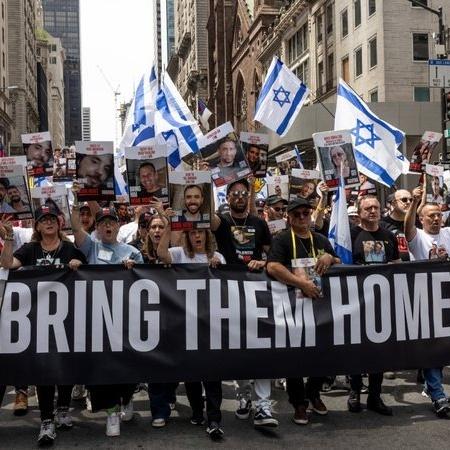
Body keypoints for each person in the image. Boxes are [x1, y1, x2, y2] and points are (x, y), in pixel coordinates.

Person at [0, 205, 86, 445]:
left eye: (52, 219)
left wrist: (78, 266)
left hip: (68, 318)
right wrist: (8, 236)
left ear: (59, 223)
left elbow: (89, 276)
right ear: (37, 226)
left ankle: (63, 408)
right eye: (43, 219)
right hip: (38, 321)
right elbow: (8, 264)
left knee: (67, 364)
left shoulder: (70, 249)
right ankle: (47, 420)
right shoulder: (30, 249)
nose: (48, 222)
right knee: (44, 369)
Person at [71, 185, 144, 437]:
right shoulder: (90, 246)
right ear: (98, 227)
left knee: (129, 364)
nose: (107, 227)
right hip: (97, 320)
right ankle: (112, 411)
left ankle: (127, 398)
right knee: (102, 369)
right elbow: (76, 229)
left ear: (117, 225)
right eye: (102, 223)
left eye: (111, 222)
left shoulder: (131, 251)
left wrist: (134, 268)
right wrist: (75, 199)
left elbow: (147, 282)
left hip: (126, 319)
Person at [211, 179, 277, 428]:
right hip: (229, 291)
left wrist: (263, 262)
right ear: (227, 198)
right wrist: (207, 179)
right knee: (237, 347)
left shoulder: (260, 224)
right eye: (234, 193)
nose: (239, 196)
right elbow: (208, 216)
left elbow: (272, 253)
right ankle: (243, 396)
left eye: (243, 193)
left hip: (257, 291)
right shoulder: (223, 221)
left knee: (261, 346)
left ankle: (263, 404)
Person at [267, 198, 340, 425]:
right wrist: (301, 284)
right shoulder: (281, 240)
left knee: (322, 352)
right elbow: (272, 266)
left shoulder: (320, 239)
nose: (302, 218)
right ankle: (299, 403)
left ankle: (314, 393)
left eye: (306, 213)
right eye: (296, 214)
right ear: (288, 218)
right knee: (295, 356)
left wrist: (330, 257)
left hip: (320, 306)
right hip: (292, 306)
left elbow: (337, 260)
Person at [158, 220, 225, 440]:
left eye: (201, 233)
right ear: (188, 235)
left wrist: (218, 266)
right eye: (193, 232)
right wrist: (168, 226)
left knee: (213, 374)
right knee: (192, 374)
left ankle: (214, 418)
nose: (197, 236)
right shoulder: (179, 254)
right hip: (186, 325)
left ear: (207, 235)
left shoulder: (217, 257)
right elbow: (162, 255)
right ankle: (197, 411)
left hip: (211, 325)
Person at [348, 195, 400, 416]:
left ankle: (374, 396)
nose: (372, 211)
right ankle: (354, 392)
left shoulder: (388, 235)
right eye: (367, 208)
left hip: (382, 301)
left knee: (379, 349)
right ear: (359, 212)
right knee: (356, 348)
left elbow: (397, 264)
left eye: (376, 207)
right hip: (356, 300)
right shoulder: (350, 235)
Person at [404, 185, 450, 417]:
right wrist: (413, 202)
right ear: (421, 219)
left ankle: (430, 386)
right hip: (427, 301)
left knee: (444, 347)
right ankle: (438, 394)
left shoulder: (448, 233)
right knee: (433, 347)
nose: (435, 218)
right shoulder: (418, 237)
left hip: (448, 300)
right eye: (430, 215)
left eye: (439, 214)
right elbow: (407, 227)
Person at [380, 190, 412, 262]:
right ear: (394, 203)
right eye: (404, 200)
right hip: (394, 270)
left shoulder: (416, 223)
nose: (408, 202)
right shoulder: (382, 224)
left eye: (411, 200)